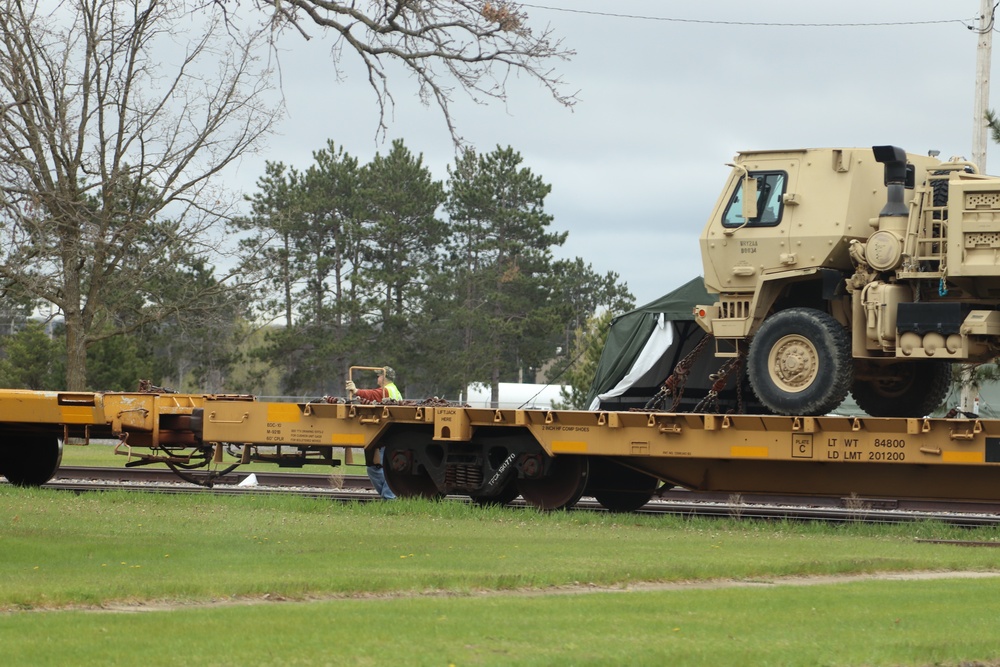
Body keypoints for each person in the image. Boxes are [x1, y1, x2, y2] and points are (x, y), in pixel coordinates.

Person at [346, 367, 402, 499]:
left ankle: (390, 498)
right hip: (389, 433)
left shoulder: (387, 390)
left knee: (379, 469)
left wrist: (356, 391)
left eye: (378, 376)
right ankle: (389, 496)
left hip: (385, 434)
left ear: (383, 377)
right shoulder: (394, 390)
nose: (377, 378)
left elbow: (373, 395)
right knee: (377, 469)